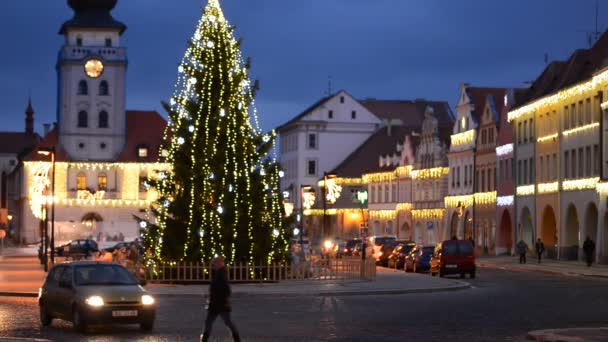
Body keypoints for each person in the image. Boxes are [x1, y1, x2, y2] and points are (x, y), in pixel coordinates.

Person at [201, 257, 240, 342]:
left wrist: (217, 296)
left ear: (219, 264)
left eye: (214, 264)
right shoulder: (219, 273)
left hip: (218, 303)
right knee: (226, 322)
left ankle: (204, 339)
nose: (213, 266)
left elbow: (226, 290)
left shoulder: (221, 274)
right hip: (219, 303)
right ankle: (237, 339)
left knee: (210, 322)